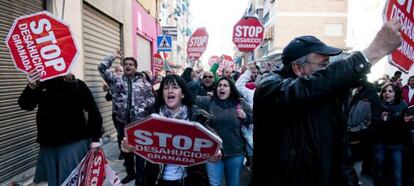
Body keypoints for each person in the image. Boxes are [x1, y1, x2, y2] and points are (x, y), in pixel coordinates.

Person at [251, 20, 402, 186]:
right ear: (298, 68)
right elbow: (307, 88)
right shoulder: (270, 89)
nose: (327, 70)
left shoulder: (329, 98)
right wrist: (372, 53)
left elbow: (341, 154)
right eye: (323, 65)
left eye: (328, 65)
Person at [121, 74, 221, 186]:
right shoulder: (151, 117)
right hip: (157, 179)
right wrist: (127, 149)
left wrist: (216, 152)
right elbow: (137, 148)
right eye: (165, 88)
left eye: (175, 87)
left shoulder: (197, 116)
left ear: (182, 94)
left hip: (190, 179)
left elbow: (215, 141)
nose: (169, 91)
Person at [18, 71, 103, 185]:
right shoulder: (41, 84)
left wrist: (95, 139)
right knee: (54, 182)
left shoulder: (78, 85)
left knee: (73, 181)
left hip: (73, 143)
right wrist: (31, 87)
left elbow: (94, 112)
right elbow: (25, 105)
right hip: (48, 143)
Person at [98, 51, 156, 185]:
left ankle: (140, 177)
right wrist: (112, 56)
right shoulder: (116, 79)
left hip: (138, 122)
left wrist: (142, 106)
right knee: (125, 149)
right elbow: (101, 67)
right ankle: (131, 173)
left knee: (139, 149)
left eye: (131, 64)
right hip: (121, 121)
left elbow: (152, 97)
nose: (128, 66)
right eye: (126, 64)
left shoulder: (144, 83)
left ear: (135, 67)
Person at [196, 77, 252, 186]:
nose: (222, 87)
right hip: (213, 152)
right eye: (219, 85)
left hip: (235, 152)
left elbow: (254, 117)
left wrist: (245, 116)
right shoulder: (209, 101)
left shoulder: (240, 103)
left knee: (234, 183)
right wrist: (195, 80)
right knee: (214, 184)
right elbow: (191, 97)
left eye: (225, 85)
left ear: (231, 89)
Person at [372, 83, 408, 186]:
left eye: (390, 91)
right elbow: (374, 127)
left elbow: (404, 129)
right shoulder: (378, 105)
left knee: (397, 174)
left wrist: (406, 122)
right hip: (381, 144)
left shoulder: (403, 105)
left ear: (396, 94)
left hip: (397, 145)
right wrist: (382, 121)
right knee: (379, 172)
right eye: (385, 91)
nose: (386, 93)